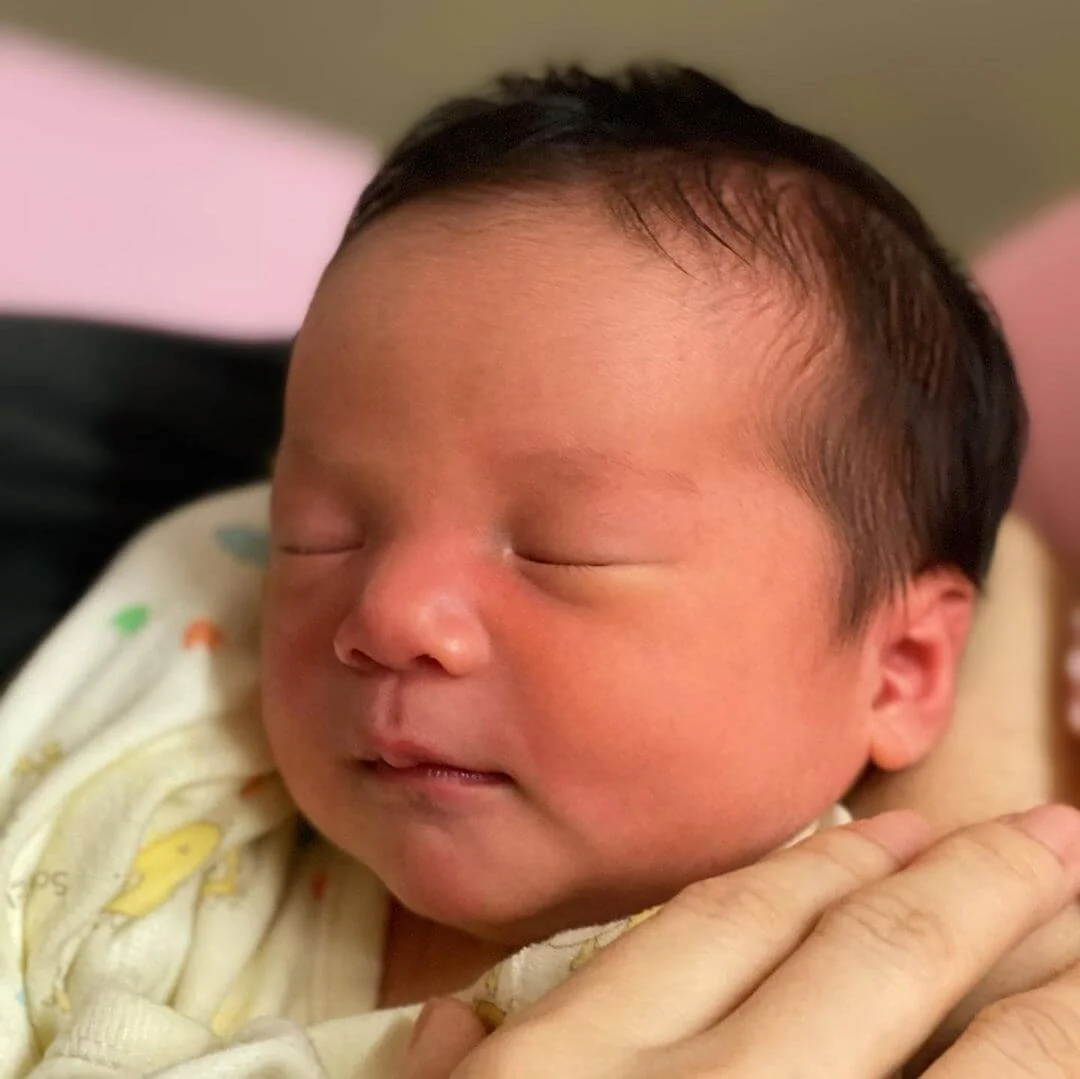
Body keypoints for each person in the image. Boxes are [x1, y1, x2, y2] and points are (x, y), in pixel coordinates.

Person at [0, 63, 1070, 1077]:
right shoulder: (177, 792)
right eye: (318, 533)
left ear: (899, 668)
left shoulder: (865, 992)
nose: (389, 612)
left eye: (565, 546)